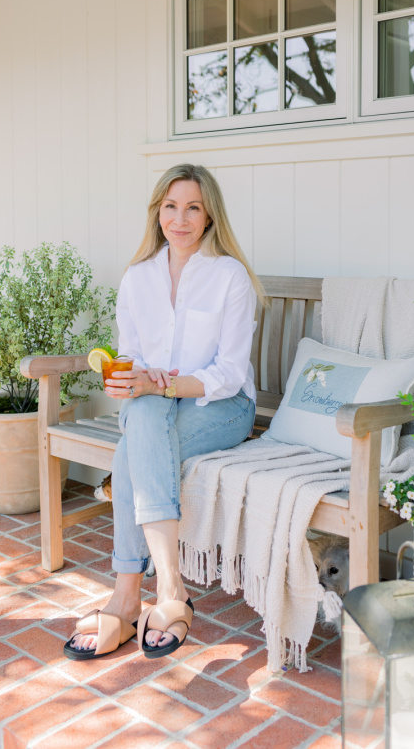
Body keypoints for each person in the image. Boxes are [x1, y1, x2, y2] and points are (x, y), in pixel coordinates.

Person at [64, 164, 264, 660]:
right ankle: (169, 590)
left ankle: (127, 596)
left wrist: (164, 384)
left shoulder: (230, 276)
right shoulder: (137, 278)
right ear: (157, 212)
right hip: (153, 408)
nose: (181, 219)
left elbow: (229, 373)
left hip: (222, 407)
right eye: (171, 206)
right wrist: (128, 378)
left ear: (210, 215)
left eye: (193, 207)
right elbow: (131, 358)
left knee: (134, 450)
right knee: (146, 422)